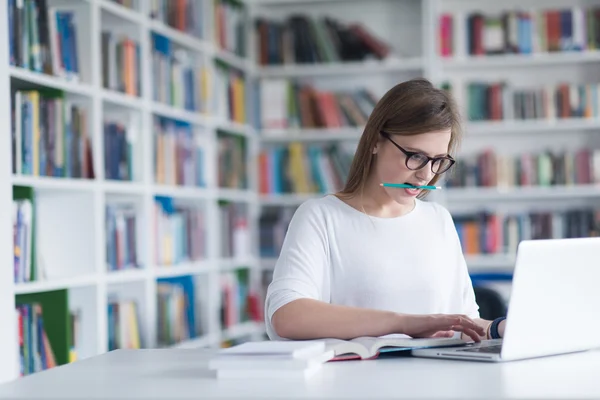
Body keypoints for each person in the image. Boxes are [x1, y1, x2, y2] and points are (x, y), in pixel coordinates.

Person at [264, 78, 506, 343]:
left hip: (437, 380)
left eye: (438, 161)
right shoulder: (321, 217)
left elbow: (465, 324)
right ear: (376, 142)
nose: (425, 174)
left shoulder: (439, 220)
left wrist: (501, 329)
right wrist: (403, 324)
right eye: (415, 155)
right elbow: (287, 316)